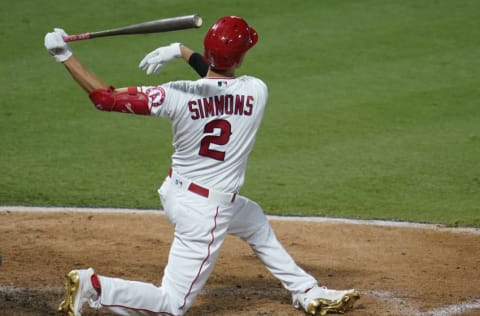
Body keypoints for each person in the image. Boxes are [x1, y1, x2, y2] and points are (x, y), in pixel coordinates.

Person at [44, 16, 359, 316]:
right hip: (206, 213)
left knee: (253, 220)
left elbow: (106, 98)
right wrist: (181, 51)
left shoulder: (175, 94)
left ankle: (306, 290)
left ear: (208, 52)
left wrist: (64, 54)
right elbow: (218, 83)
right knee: (172, 305)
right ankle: (95, 288)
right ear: (238, 60)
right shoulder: (256, 90)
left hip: (176, 192)